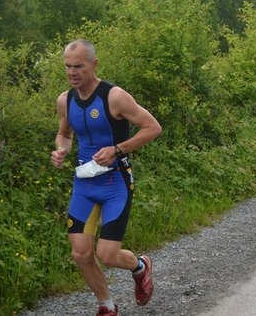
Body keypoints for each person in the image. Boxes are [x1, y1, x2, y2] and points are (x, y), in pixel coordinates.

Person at [50, 39, 162, 316]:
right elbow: (65, 133)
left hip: (115, 184)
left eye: (78, 66)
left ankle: (140, 267)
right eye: (68, 67)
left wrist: (117, 149)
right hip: (84, 185)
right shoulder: (66, 100)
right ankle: (107, 306)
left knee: (108, 255)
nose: (72, 72)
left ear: (94, 64)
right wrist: (61, 151)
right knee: (80, 253)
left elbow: (153, 127)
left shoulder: (114, 96)